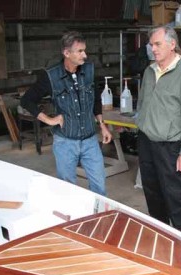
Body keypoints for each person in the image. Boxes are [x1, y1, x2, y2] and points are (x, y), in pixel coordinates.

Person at [21, 31, 112, 196]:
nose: (85, 55)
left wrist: (102, 125)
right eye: (80, 51)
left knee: (99, 185)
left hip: (90, 140)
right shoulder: (51, 76)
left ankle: (97, 212)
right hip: (65, 142)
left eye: (85, 50)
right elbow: (27, 100)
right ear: (66, 53)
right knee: (67, 189)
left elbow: (96, 99)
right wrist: (49, 120)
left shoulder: (90, 70)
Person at [136, 26, 181, 239]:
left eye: (158, 44)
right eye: (151, 45)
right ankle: (162, 238)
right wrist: (140, 123)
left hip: (170, 146)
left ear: (172, 44)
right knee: (152, 193)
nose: (153, 49)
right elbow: (143, 103)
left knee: (175, 197)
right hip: (146, 141)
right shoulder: (149, 71)